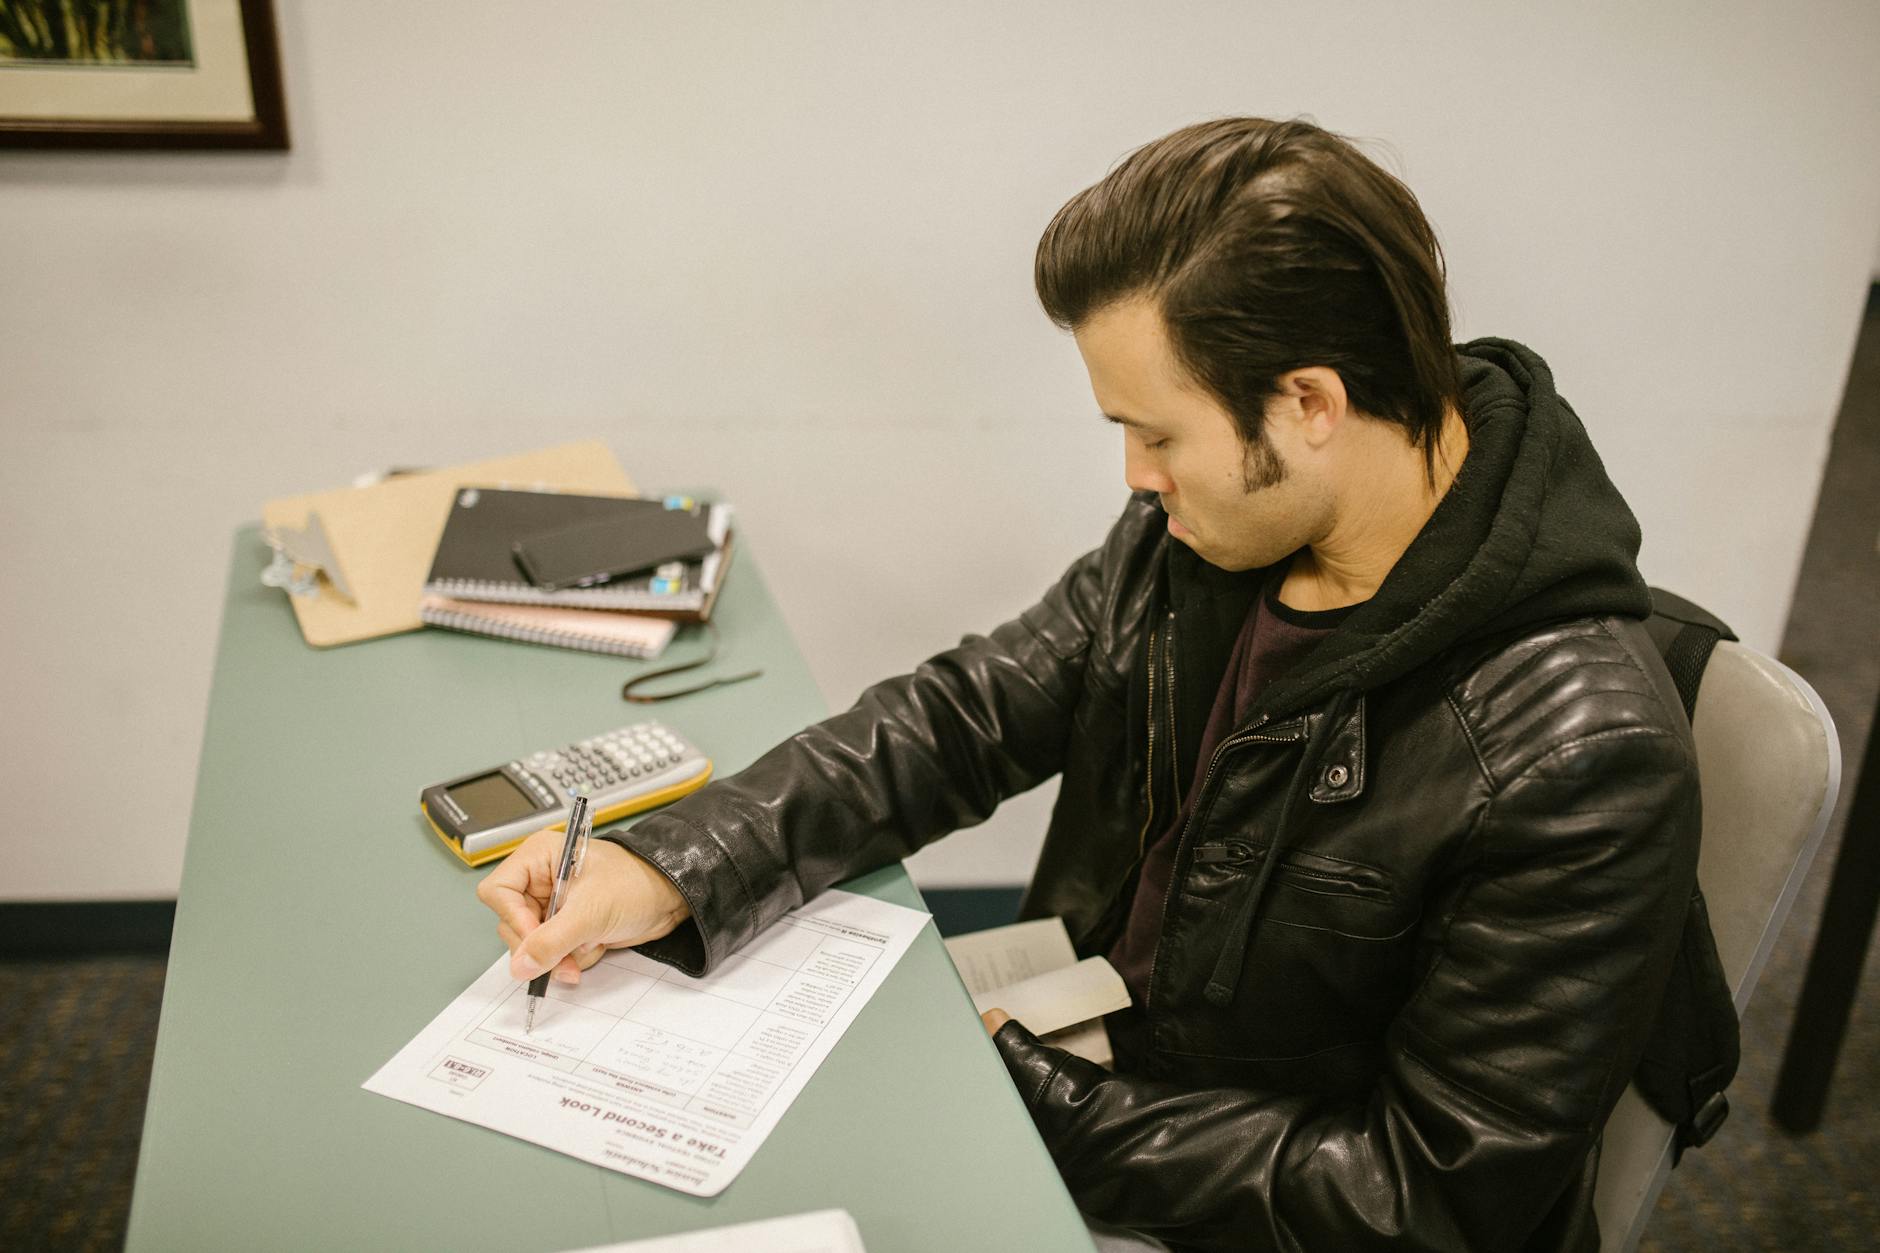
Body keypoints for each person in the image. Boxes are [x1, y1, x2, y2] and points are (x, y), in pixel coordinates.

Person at [478, 117, 1699, 1252]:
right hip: (1103, 1063)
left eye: (1157, 433)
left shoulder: (1576, 756)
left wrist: (1036, 1100)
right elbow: (963, 717)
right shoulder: (1217, 536)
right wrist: (672, 864)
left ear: (1309, 403)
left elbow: (1427, 1195)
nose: (1134, 474)